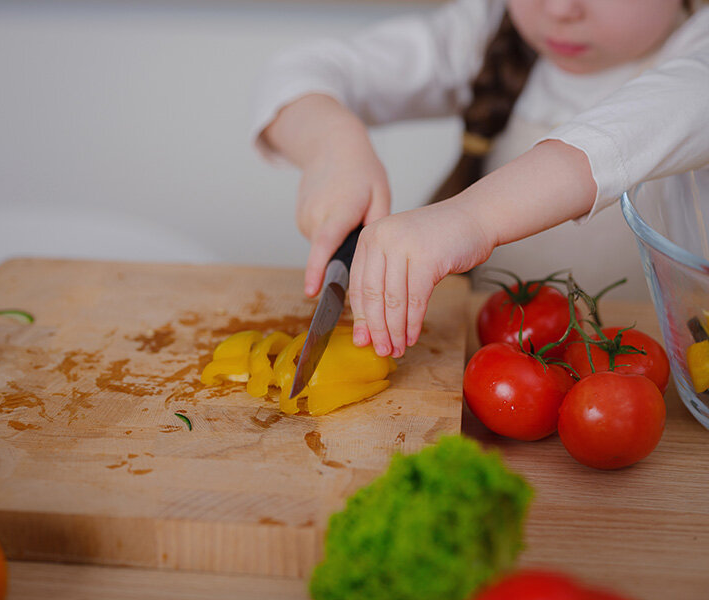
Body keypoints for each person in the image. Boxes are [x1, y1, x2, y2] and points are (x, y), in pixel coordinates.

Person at [250, 0, 709, 359]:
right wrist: (332, 147)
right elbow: (298, 70)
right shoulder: (485, 27)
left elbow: (650, 119)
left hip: (650, 377)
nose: (560, 10)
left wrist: (473, 217)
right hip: (497, 373)